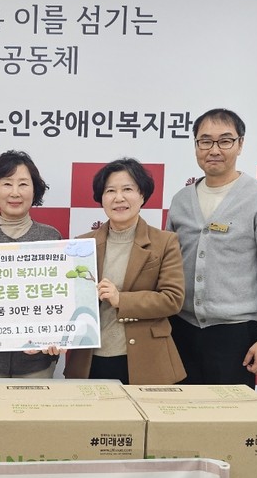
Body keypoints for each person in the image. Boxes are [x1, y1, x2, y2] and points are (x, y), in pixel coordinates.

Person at [166, 107, 257, 387]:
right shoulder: (181, 200)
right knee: (177, 410)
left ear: (240, 144)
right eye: (205, 141)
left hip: (235, 335)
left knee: (229, 413)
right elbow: (168, 266)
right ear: (196, 145)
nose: (214, 150)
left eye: (225, 141)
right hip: (180, 330)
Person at [65, 158, 185, 384]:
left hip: (147, 360)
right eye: (110, 190)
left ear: (142, 195)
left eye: (127, 189)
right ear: (101, 198)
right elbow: (69, 302)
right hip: (90, 359)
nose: (118, 198)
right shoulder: (82, 245)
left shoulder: (164, 242)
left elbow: (173, 299)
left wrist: (121, 299)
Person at [0, 150, 61, 378]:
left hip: (37, 362)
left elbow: (61, 301)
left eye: (23, 184)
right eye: (7, 183)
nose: (15, 192)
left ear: (35, 190)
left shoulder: (51, 238)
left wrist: (56, 335)